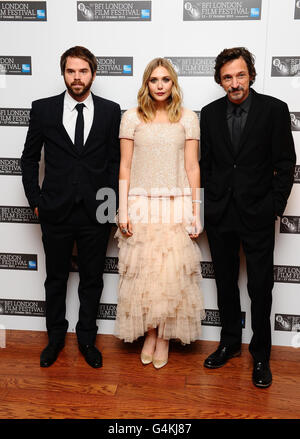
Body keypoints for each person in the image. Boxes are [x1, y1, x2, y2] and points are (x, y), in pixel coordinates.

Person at [200, 47, 296, 387]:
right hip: (220, 214)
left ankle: (261, 355)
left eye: (240, 75)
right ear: (220, 81)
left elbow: (285, 165)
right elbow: (206, 164)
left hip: (258, 214)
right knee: (225, 283)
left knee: (260, 287)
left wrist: (274, 206)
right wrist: (209, 204)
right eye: (227, 77)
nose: (234, 82)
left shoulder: (274, 110)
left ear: (251, 75)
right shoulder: (209, 114)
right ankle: (229, 343)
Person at [21, 46, 121, 368]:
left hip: (96, 212)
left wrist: (110, 208)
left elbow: (114, 162)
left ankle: (87, 340)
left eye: (83, 71)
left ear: (93, 73)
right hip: (55, 210)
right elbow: (29, 159)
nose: (77, 78)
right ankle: (55, 340)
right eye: (71, 71)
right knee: (56, 279)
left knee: (92, 279)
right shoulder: (43, 110)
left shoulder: (110, 111)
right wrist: (36, 201)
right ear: (63, 73)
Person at [114, 58, 205, 369]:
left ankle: (164, 337)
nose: (160, 85)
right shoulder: (132, 118)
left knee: (170, 277)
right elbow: (124, 166)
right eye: (154, 80)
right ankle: (150, 334)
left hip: (176, 204)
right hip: (141, 204)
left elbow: (193, 167)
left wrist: (198, 211)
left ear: (173, 83)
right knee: (146, 277)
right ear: (146, 84)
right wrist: (123, 208)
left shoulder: (188, 119)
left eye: (166, 79)